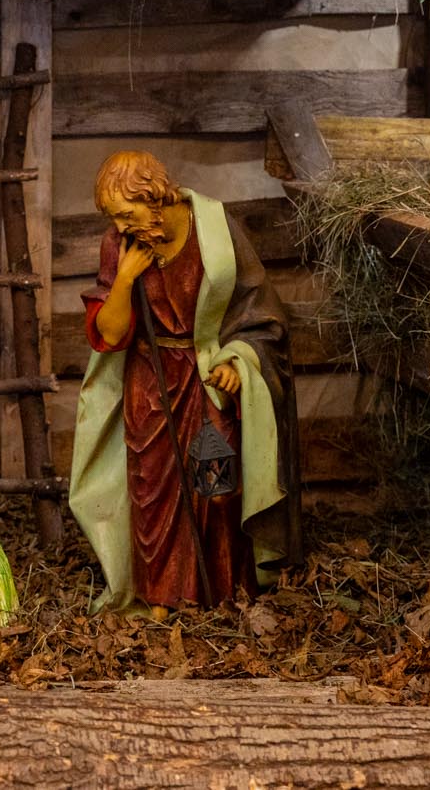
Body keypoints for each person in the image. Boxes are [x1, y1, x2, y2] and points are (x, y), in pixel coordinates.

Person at [69, 151, 296, 611]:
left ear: (153, 196)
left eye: (126, 213)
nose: (120, 226)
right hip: (149, 385)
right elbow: (109, 334)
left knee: (217, 487)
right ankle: (160, 598)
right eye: (114, 218)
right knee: (151, 495)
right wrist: (125, 279)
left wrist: (236, 362)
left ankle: (222, 591)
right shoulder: (120, 245)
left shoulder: (214, 228)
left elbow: (257, 314)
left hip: (207, 378)